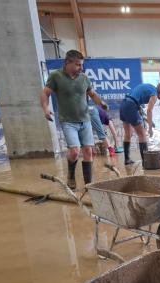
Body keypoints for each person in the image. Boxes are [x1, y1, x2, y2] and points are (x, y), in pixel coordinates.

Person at [40, 49, 108, 190]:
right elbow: (45, 93)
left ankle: (88, 185)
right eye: (77, 64)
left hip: (85, 120)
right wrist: (45, 109)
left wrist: (101, 103)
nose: (80, 68)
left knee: (88, 151)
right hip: (68, 121)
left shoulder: (84, 78)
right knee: (75, 151)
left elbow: (93, 94)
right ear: (67, 63)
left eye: (81, 65)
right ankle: (71, 175)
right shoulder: (56, 76)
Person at [118, 82, 160, 165]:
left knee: (128, 134)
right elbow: (149, 110)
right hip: (131, 105)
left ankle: (127, 159)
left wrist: (149, 121)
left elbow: (140, 110)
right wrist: (150, 128)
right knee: (142, 134)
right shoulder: (154, 94)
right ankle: (146, 162)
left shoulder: (149, 87)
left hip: (124, 104)